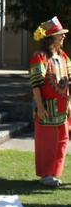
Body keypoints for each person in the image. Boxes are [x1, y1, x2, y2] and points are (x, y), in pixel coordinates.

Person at [29, 16, 71, 188]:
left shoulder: (64, 57)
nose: (63, 37)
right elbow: (36, 84)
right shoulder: (40, 57)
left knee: (62, 140)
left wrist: (69, 104)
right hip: (47, 108)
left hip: (62, 109)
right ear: (50, 38)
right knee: (46, 142)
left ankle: (55, 173)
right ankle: (47, 174)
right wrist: (40, 107)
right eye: (59, 35)